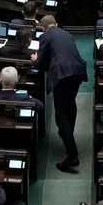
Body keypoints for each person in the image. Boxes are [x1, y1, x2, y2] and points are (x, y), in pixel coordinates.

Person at [37, 13, 87, 171]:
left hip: (62, 75)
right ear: (56, 24)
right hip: (78, 71)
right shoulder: (67, 33)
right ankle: (68, 134)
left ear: (43, 28)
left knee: (61, 115)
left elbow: (41, 63)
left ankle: (72, 155)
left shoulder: (45, 36)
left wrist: (34, 60)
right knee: (71, 103)